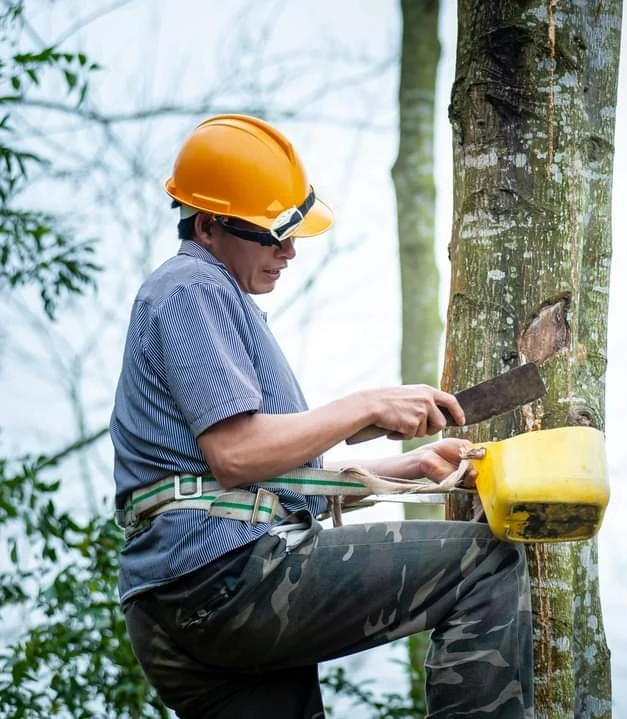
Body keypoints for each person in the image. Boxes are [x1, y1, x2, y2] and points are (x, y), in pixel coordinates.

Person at [109, 114, 533, 719]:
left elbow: (255, 474)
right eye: (274, 233)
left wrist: (402, 470)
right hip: (224, 577)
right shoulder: (190, 287)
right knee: (486, 565)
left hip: (178, 602)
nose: (289, 249)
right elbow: (238, 456)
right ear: (208, 226)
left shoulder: (215, 301)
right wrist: (366, 404)